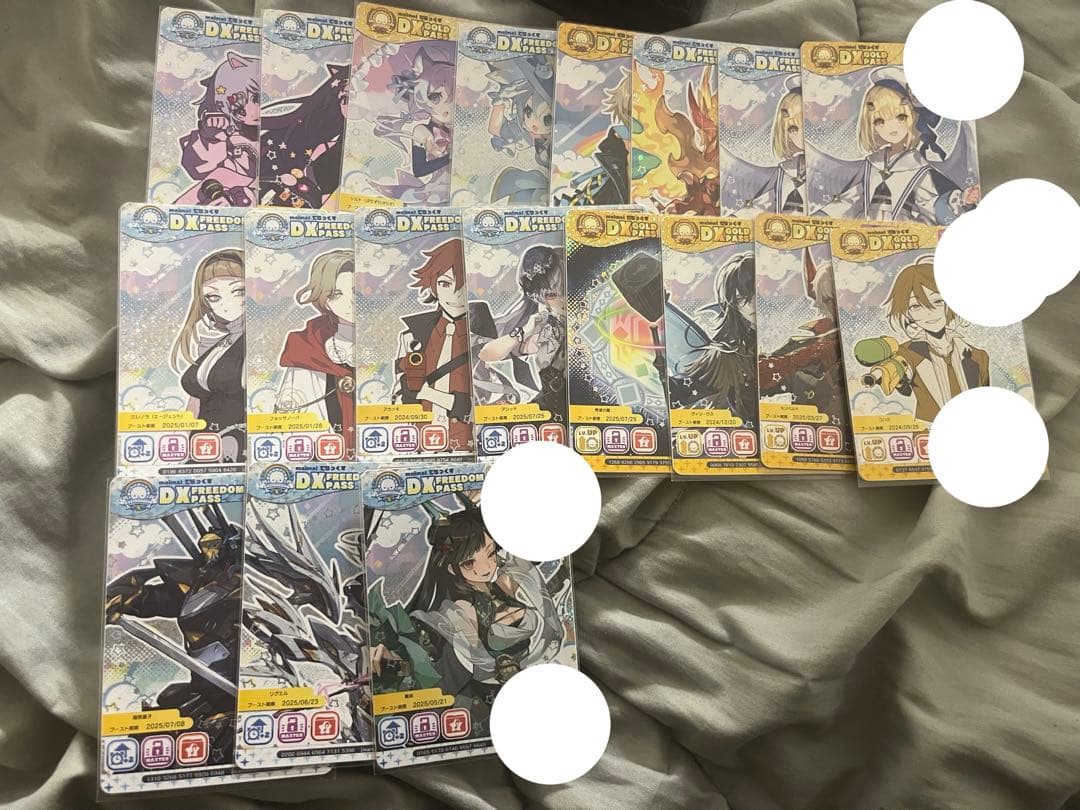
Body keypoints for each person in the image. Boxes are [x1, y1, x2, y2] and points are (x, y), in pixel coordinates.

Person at [855, 258, 989, 422]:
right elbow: (895, 364)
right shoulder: (908, 352)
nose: (929, 313)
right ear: (907, 312)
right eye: (916, 306)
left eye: (938, 301)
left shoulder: (978, 356)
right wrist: (881, 370)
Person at [393, 239, 473, 450]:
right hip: (419, 439)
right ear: (433, 285)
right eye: (445, 284)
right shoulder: (413, 337)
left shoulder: (482, 337)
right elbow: (402, 392)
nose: (455, 295)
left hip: (466, 440)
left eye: (464, 286)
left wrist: (429, 394)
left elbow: (481, 402)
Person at [170, 249, 246, 462]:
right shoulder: (217, 342)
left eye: (239, 291)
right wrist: (180, 448)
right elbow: (194, 404)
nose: (226, 304)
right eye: (214, 296)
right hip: (201, 447)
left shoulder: (255, 343)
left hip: (236, 447)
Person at [277, 250, 356, 452]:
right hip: (323, 452)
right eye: (336, 294)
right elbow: (291, 417)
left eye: (356, 291)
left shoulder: (391, 342)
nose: (351, 302)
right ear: (325, 300)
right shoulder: (306, 347)